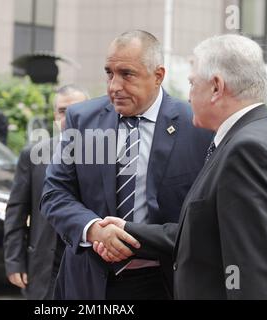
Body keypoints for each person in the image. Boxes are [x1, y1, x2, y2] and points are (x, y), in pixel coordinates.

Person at [98, 34, 267, 299]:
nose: (188, 96)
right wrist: (129, 230)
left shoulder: (246, 152)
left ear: (216, 87)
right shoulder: (266, 135)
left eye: (192, 83)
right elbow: (207, 234)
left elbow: (251, 275)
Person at [40, 30, 212, 300]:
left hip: (163, 282)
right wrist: (94, 230)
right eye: (109, 73)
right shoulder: (81, 119)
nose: (113, 86)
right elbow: (53, 194)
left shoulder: (198, 125)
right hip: (88, 281)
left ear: (158, 75)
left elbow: (207, 217)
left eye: (126, 74)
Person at [3, 85, 89, 300]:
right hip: (43, 267)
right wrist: (14, 261)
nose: (69, 118)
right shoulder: (33, 155)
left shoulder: (106, 155)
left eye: (76, 110)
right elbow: (16, 211)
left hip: (86, 266)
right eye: (62, 111)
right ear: (54, 115)